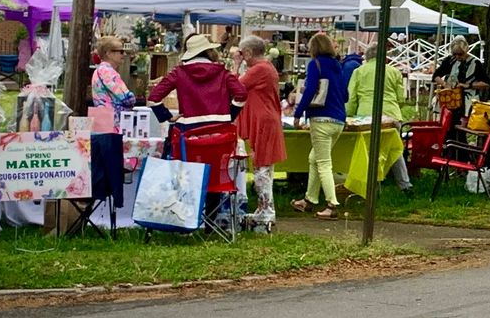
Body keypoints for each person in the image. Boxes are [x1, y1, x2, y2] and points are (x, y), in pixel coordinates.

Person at [291, 32, 347, 220]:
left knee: (323, 163)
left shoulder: (315, 65)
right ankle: (309, 199)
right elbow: (345, 95)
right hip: (338, 120)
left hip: (321, 119)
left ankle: (332, 205)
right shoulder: (337, 66)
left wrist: (298, 113)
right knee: (314, 158)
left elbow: (309, 92)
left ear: (314, 48)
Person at [345, 43, 413, 196]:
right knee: (395, 150)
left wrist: (349, 116)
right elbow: (401, 98)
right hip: (391, 115)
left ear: (367, 57)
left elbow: (351, 99)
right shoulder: (394, 71)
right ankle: (405, 184)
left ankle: (372, 187)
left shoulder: (358, 72)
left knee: (367, 152)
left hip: (366, 116)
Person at [235, 36, 286, 232]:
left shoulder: (259, 69)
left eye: (242, 53)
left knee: (262, 168)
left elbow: (235, 87)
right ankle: (264, 208)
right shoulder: (266, 68)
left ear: (247, 53)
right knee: (262, 167)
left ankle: (266, 210)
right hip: (266, 119)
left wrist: (236, 64)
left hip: (263, 121)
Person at [148, 33, 248, 127]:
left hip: (189, 128)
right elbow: (242, 94)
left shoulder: (178, 73)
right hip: (219, 127)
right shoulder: (222, 72)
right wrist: (231, 114)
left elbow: (153, 97)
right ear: (210, 51)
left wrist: (167, 116)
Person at [433, 36, 490, 116]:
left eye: (460, 54)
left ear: (466, 50)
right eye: (454, 54)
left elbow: (486, 83)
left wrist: (468, 85)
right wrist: (445, 85)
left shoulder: (475, 63)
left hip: (468, 102)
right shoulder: (450, 61)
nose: (457, 57)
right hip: (450, 100)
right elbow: (436, 76)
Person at [91, 36, 136, 130]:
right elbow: (127, 98)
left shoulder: (99, 70)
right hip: (114, 123)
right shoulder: (108, 72)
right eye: (120, 51)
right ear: (109, 53)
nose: (123, 54)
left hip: (101, 121)